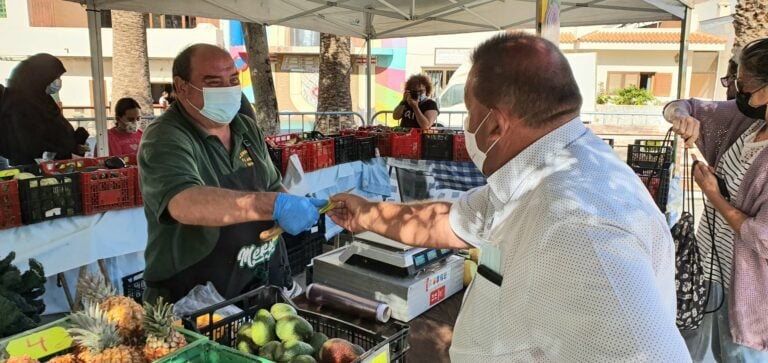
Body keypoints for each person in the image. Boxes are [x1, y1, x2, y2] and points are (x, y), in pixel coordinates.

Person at [328, 32, 689, 362]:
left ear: (496, 124)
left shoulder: (579, 227)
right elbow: (451, 220)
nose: (467, 127)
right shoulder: (540, 176)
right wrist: (365, 215)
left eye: (470, 113)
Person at [137, 44, 325, 304]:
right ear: (182, 87)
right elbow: (183, 202)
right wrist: (272, 205)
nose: (226, 89)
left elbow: (270, 184)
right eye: (213, 83)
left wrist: (293, 204)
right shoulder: (165, 136)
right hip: (198, 299)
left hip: (260, 281)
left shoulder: (245, 126)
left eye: (233, 80)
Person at [663, 37, 768, 362]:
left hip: (750, 293)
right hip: (713, 272)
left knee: (739, 356)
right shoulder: (749, 124)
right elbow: (682, 106)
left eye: (742, 85)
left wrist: (713, 194)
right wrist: (683, 117)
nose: (735, 91)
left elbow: (763, 237)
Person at [0, 53, 89, 165]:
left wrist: (75, 145)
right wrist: (66, 152)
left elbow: (57, 132)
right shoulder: (21, 105)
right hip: (34, 172)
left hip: (56, 168)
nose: (58, 81)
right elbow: (31, 144)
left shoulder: (44, 100)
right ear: (40, 77)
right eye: (55, 77)